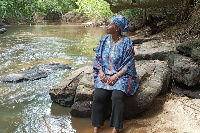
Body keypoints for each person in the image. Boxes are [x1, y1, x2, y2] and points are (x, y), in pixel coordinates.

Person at [91, 15, 139, 133]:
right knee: (98, 96)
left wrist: (116, 76)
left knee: (117, 97)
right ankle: (96, 126)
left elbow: (128, 63)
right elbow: (97, 58)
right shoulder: (103, 40)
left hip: (122, 75)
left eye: (109, 24)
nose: (106, 26)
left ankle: (116, 128)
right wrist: (101, 72)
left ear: (117, 28)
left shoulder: (127, 42)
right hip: (105, 74)